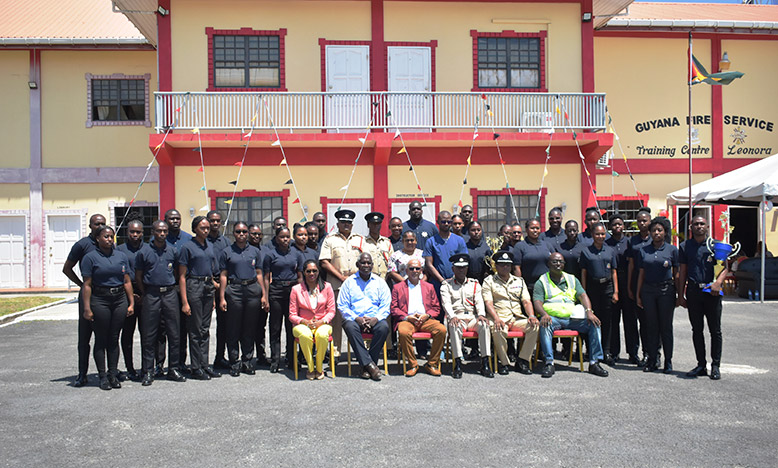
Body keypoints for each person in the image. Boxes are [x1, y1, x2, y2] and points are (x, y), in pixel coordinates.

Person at [533, 253, 609, 378]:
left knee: (594, 324)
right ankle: (549, 363)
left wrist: (589, 311)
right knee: (545, 324)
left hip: (572, 319)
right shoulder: (542, 281)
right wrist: (544, 314)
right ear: (548, 264)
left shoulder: (572, 279)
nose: (558, 264)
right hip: (553, 318)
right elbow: (537, 302)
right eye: (555, 262)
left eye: (561, 262)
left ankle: (594, 362)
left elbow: (583, 296)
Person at [80, 226, 135, 390]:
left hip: (119, 299)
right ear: (98, 238)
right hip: (100, 299)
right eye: (106, 236)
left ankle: (112, 374)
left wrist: (131, 302)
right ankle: (102, 376)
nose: (110, 239)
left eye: (111, 237)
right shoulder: (90, 258)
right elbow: (87, 285)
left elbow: (127, 281)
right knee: (101, 339)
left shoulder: (121, 256)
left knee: (114, 338)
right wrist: (87, 308)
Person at [135, 220, 185, 386]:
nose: (162, 234)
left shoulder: (172, 250)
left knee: (174, 333)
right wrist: (145, 292)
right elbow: (139, 276)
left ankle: (173, 369)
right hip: (152, 295)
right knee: (149, 335)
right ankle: (148, 371)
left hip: (170, 294)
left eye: (164, 231)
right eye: (159, 231)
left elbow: (178, 273)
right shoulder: (144, 252)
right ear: (153, 232)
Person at [679, 216, 727, 380]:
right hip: (693, 292)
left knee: (715, 330)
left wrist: (718, 283)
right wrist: (681, 295)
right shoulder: (685, 246)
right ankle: (701, 364)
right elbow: (683, 272)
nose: (699, 226)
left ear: (707, 226)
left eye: (701, 224)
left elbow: (724, 267)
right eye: (695, 224)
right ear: (691, 227)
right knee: (696, 330)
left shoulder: (715, 245)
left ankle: (715, 365)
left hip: (711, 293)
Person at [219, 222, 267, 377]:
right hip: (234, 291)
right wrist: (222, 297)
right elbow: (223, 275)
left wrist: (264, 294)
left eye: (244, 231)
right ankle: (234, 362)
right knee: (233, 328)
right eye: (238, 231)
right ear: (233, 233)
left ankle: (247, 361)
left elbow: (259, 273)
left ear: (248, 233)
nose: (241, 234)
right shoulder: (227, 252)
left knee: (249, 328)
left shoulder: (254, 251)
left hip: (252, 290)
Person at [62, 213, 105, 387]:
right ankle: (82, 374)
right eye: (96, 224)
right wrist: (81, 285)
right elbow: (67, 268)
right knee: (84, 338)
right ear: (90, 226)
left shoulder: (107, 243)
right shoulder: (82, 245)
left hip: (104, 297)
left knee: (104, 337)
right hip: (88, 295)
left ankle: (106, 373)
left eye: (103, 223)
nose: (100, 226)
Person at [483, 251, 540, 375]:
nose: (505, 267)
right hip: (499, 317)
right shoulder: (489, 281)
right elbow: (488, 303)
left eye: (508, 265)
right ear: (496, 266)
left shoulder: (519, 281)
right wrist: (496, 318)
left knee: (534, 325)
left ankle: (522, 361)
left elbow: (526, 301)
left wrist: (531, 315)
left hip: (516, 318)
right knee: (498, 330)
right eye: (502, 264)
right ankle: (504, 363)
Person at [319, 209, 365, 358]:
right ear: (338, 223)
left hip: (357, 287)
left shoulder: (360, 239)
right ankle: (335, 353)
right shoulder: (330, 239)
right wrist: (341, 277)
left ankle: (361, 351)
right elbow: (325, 262)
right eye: (343, 222)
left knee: (359, 319)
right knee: (336, 322)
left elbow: (366, 261)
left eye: (349, 223)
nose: (346, 225)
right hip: (336, 286)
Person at [337, 253, 391, 381]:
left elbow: (385, 304)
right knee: (349, 326)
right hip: (355, 320)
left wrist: (376, 319)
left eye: (368, 263)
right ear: (357, 265)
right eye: (363, 263)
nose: (366, 265)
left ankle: (365, 366)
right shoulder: (349, 283)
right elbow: (342, 305)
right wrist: (357, 318)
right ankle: (371, 365)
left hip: (374, 319)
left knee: (383, 327)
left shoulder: (380, 282)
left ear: (372, 265)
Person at [636, 216, 679, 374]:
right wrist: (639, 294)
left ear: (665, 232)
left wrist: (679, 294)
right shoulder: (643, 250)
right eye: (653, 230)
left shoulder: (672, 250)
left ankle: (668, 361)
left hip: (666, 291)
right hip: (648, 291)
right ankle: (653, 360)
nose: (656, 233)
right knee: (651, 327)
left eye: (659, 230)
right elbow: (641, 273)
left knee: (665, 327)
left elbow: (677, 273)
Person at [178, 216, 219, 380]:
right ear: (195, 229)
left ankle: (204, 364)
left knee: (205, 329)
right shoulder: (187, 247)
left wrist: (214, 297)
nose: (206, 230)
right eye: (203, 228)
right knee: (195, 330)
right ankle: (195, 367)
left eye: (208, 227)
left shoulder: (210, 246)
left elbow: (211, 270)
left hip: (208, 287)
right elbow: (181, 276)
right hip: (194, 286)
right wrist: (185, 302)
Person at [391, 258, 446, 377]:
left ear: (421, 270)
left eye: (417, 268)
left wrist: (427, 315)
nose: (414, 271)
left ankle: (431, 363)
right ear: (406, 270)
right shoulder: (398, 287)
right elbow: (394, 309)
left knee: (441, 330)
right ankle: (413, 364)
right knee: (403, 332)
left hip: (425, 319)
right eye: (411, 268)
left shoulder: (429, 286)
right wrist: (407, 317)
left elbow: (436, 307)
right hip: (407, 319)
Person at [441, 254, 493, 378]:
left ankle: (485, 362)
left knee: (485, 324)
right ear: (453, 269)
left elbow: (479, 301)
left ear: (467, 268)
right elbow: (446, 303)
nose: (461, 270)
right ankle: (457, 363)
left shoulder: (474, 284)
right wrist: (452, 316)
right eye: (458, 267)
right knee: (454, 326)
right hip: (456, 316)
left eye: (464, 267)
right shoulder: (446, 285)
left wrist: (481, 314)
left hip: (472, 317)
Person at [579, 223, 619, 366]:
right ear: (592, 235)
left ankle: (606, 351)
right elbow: (583, 273)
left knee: (607, 321)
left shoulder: (610, 251)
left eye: (603, 234)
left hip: (607, 287)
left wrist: (616, 291)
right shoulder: (586, 251)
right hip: (592, 288)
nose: (600, 237)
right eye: (597, 234)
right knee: (592, 320)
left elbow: (614, 272)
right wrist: (583, 293)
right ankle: (592, 351)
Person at [289, 259, 336, 380]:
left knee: (322, 334)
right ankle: (310, 368)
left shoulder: (327, 287)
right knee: (305, 335)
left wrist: (322, 321)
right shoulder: (296, 289)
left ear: (318, 272)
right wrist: (304, 322)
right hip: (303, 324)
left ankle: (319, 367)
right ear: (304, 273)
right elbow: (292, 314)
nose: (311, 273)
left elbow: (331, 311)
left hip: (322, 322)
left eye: (314, 271)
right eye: (308, 271)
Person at [263, 227, 300, 373]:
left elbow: (300, 275)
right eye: (282, 237)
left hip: (292, 290)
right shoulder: (270, 254)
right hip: (276, 291)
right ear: (276, 238)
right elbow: (266, 277)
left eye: (287, 237)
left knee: (291, 327)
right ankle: (275, 359)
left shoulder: (296, 253)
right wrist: (265, 296)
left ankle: (291, 359)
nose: (285, 239)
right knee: (275, 327)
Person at [116, 219, 145, 381]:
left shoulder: (148, 249)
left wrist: (143, 294)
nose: (135, 235)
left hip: (145, 294)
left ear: (142, 233)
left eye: (138, 232)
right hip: (125, 295)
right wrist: (130, 296)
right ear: (127, 232)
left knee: (147, 334)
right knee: (127, 334)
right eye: (132, 232)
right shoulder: (119, 250)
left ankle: (147, 367)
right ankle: (130, 368)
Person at [164, 208, 192, 375]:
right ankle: (161, 364)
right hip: (165, 289)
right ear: (165, 220)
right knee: (164, 330)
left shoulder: (188, 239)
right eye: (171, 218)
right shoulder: (158, 239)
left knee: (183, 329)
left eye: (177, 218)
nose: (175, 221)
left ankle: (181, 362)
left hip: (184, 288)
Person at [606, 213, 636, 364]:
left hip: (628, 281)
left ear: (623, 226)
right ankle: (614, 352)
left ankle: (633, 352)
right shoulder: (606, 243)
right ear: (609, 227)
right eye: (614, 224)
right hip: (612, 283)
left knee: (630, 320)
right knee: (613, 320)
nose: (617, 227)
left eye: (619, 224)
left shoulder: (629, 242)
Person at [627, 206, 652, 367]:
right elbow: (630, 265)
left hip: (650, 284)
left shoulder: (655, 239)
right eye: (639, 221)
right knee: (631, 322)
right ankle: (633, 352)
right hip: (635, 282)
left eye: (645, 221)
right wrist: (629, 287)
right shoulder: (632, 241)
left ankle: (648, 352)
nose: (642, 223)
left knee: (647, 323)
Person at [207, 210, 232, 372]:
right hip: (206, 286)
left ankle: (220, 357)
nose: (215, 223)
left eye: (218, 221)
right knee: (203, 327)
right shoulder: (202, 241)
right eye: (212, 221)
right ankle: (201, 362)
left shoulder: (226, 242)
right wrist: (212, 282)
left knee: (224, 325)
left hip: (223, 285)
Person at [423, 211, 468, 294]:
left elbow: (464, 263)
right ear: (438, 222)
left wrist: (454, 281)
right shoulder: (431, 241)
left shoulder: (459, 240)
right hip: (437, 284)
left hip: (456, 284)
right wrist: (442, 281)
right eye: (443, 221)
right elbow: (429, 264)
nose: (446, 224)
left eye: (449, 222)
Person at [512, 218, 553, 298]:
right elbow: (516, 268)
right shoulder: (520, 246)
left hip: (547, 286)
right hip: (529, 287)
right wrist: (520, 286)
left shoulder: (547, 245)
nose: (535, 230)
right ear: (526, 230)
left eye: (537, 228)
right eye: (532, 228)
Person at [248, 223, 270, 366]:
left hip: (262, 292)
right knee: (248, 326)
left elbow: (267, 275)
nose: (256, 236)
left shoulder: (265, 251)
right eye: (254, 234)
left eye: (259, 234)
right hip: (247, 292)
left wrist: (266, 295)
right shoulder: (244, 250)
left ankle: (261, 355)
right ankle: (247, 357)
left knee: (261, 326)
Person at [363, 212, 393, 280]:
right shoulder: (363, 242)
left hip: (385, 280)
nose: (375, 226)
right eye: (373, 224)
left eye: (378, 224)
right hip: (368, 280)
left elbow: (392, 262)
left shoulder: (387, 242)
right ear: (368, 225)